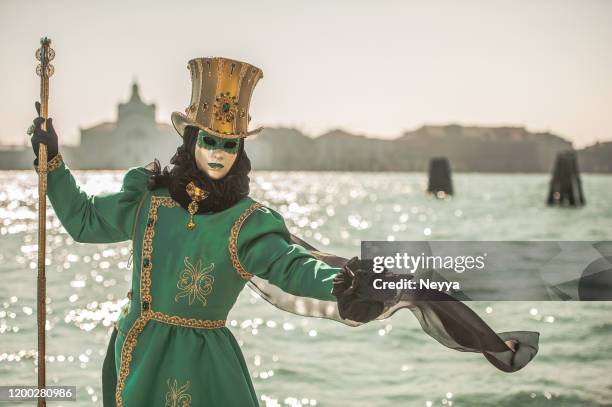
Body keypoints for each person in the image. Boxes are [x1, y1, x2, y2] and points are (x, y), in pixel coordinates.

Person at [30, 56, 539, 407]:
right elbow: (84, 221)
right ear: (191, 138)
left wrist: (341, 285)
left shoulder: (246, 223)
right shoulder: (147, 199)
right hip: (135, 353)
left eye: (230, 146)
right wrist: (52, 162)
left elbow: (293, 267)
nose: (218, 154)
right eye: (210, 140)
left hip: (204, 367)